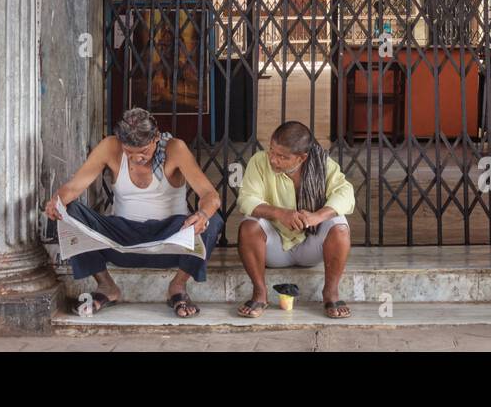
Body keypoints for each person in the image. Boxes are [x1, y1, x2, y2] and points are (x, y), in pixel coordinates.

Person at [44, 108, 223, 317]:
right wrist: (56, 202)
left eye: (144, 151)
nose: (137, 158)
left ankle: (178, 287)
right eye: (129, 152)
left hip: (171, 239)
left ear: (156, 138)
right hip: (122, 239)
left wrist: (202, 215)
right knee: (70, 211)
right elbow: (73, 188)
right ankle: (106, 287)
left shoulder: (175, 149)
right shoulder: (110, 147)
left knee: (213, 220)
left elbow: (211, 196)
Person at [236, 120, 355, 319]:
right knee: (249, 225)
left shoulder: (323, 164)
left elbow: (346, 194)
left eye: (282, 156)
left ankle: (331, 293)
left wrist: (317, 216)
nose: (273, 160)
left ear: (302, 158)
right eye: (272, 151)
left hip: (312, 245)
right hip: (274, 248)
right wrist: (280, 213)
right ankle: (260, 293)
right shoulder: (259, 161)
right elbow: (246, 199)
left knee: (340, 225)